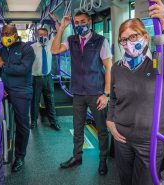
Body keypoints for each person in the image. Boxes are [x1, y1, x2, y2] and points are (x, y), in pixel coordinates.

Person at [106, 0, 164, 184]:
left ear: (145, 36)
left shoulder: (159, 62)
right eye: (123, 39)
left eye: (133, 37)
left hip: (150, 140)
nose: (127, 43)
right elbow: (115, 98)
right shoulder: (117, 68)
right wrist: (110, 121)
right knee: (125, 180)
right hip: (121, 137)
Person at [51, 11, 112, 175]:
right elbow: (54, 50)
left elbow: (108, 68)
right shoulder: (71, 40)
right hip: (78, 92)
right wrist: (62, 28)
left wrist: (106, 94)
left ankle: (103, 159)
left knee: (101, 129)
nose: (79, 25)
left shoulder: (100, 41)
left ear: (90, 22)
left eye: (82, 21)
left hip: (96, 92)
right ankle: (77, 156)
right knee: (77, 127)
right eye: (76, 23)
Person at [0, 24, 35, 172]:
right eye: (3, 33)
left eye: (9, 33)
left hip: (21, 91)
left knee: (22, 124)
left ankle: (20, 156)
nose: (6, 36)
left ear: (16, 34)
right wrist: (0, 87)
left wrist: (2, 64)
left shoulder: (26, 49)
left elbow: (23, 69)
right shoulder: (1, 50)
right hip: (5, 91)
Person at [30, 26, 61, 131]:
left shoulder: (50, 44)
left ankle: (53, 122)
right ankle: (33, 121)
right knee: (34, 101)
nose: (42, 37)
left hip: (48, 78)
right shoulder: (32, 47)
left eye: (44, 35)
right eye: (40, 35)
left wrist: (56, 21)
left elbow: (59, 32)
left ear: (47, 36)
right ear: (36, 36)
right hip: (36, 78)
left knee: (50, 101)